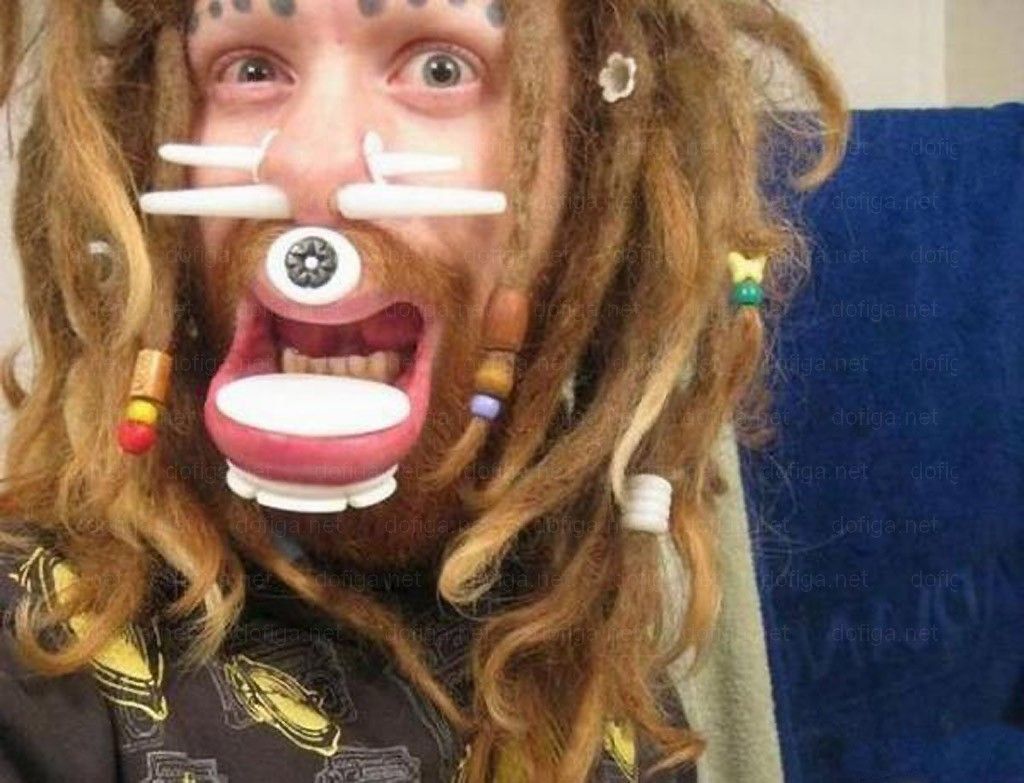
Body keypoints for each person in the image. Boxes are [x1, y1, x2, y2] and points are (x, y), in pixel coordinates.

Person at [0, 0, 847, 780]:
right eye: (252, 68)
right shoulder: (31, 651)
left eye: (442, 68)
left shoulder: (586, 637)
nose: (311, 168)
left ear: (593, 174)